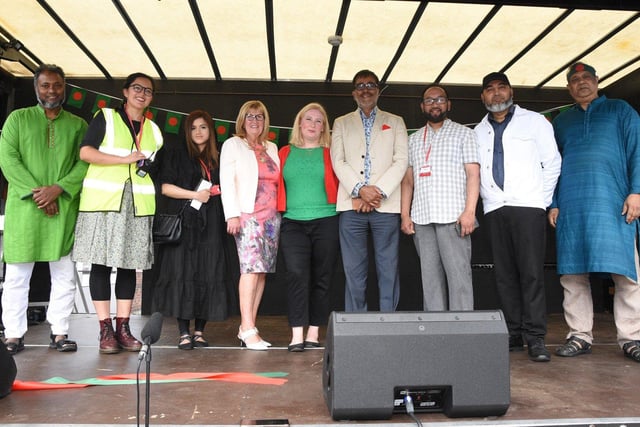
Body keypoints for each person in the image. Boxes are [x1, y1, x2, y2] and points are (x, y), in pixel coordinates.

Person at [550, 62, 640, 363]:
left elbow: (637, 150)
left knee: (626, 272)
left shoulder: (620, 110)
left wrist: (636, 191)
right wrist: (554, 202)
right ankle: (579, 335)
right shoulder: (562, 122)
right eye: (575, 80)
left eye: (587, 78)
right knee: (573, 274)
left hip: (614, 202)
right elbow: (552, 167)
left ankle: (632, 338)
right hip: (572, 205)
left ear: (598, 81)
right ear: (568, 88)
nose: (581, 83)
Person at [72, 72, 163, 354]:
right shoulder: (106, 117)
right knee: (100, 263)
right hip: (103, 201)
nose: (142, 94)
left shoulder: (155, 130)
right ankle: (104, 329)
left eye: (147, 91)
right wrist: (122, 159)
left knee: (128, 264)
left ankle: (123, 328)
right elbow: (86, 153)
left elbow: (154, 167)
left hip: (137, 203)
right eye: (137, 88)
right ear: (125, 92)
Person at [0, 64, 88, 354]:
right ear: (36, 87)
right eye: (45, 85)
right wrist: (41, 195)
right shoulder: (18, 119)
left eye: (57, 85)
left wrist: (58, 189)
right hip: (25, 210)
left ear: (65, 88)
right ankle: (13, 334)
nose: (52, 91)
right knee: (17, 274)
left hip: (62, 206)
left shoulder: (77, 125)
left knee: (63, 272)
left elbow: (85, 162)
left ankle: (60, 331)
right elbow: (8, 160)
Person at [474, 72, 561, 362]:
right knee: (505, 275)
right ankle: (513, 333)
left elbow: (552, 163)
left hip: (528, 207)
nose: (496, 94)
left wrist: (541, 200)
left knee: (532, 274)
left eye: (501, 88)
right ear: (483, 96)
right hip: (495, 208)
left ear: (511, 91)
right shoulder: (477, 131)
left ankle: (535, 337)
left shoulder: (535, 121)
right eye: (490, 90)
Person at [330, 69, 408, 312]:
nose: (366, 89)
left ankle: (389, 319)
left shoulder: (395, 121)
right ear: (354, 93)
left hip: (385, 205)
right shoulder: (341, 123)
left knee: (388, 267)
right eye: (360, 86)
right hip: (351, 206)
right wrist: (360, 190)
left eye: (371, 85)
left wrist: (377, 192)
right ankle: (356, 322)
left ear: (378, 90)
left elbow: (401, 160)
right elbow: (337, 161)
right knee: (353, 269)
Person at [152, 110, 229, 350]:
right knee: (182, 273)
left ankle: (199, 331)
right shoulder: (177, 154)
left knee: (208, 273)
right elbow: (165, 188)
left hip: (212, 223)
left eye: (203, 127)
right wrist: (195, 194)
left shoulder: (218, 158)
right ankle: (183, 332)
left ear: (211, 130)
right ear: (187, 131)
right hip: (185, 222)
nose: (198, 132)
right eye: (194, 127)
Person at [400, 85, 480, 311]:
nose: (435, 104)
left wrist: (470, 212)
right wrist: (405, 215)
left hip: (454, 217)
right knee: (430, 281)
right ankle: (437, 334)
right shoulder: (414, 139)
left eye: (440, 99)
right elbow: (407, 181)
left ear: (448, 104)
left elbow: (473, 175)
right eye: (429, 100)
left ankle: (462, 333)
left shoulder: (465, 133)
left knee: (459, 279)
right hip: (422, 219)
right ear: (422, 106)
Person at [277, 103, 339, 352]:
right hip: (292, 222)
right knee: (296, 276)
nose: (313, 124)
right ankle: (297, 334)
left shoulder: (331, 152)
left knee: (322, 278)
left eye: (319, 121)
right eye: (308, 119)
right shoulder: (283, 152)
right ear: (299, 123)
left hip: (327, 219)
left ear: (324, 127)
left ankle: (314, 331)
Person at [220, 100, 280, 351]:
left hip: (271, 218)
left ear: (265, 121)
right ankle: (247, 328)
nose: (255, 121)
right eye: (250, 117)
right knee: (250, 269)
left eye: (259, 117)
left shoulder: (272, 147)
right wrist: (231, 215)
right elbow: (227, 180)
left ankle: (249, 325)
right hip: (247, 215)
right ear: (242, 120)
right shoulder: (233, 144)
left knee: (262, 271)